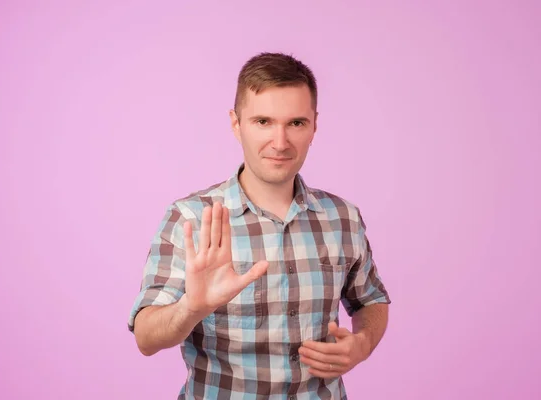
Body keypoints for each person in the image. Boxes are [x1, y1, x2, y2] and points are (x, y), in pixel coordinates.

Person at [127, 52, 391, 399]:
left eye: (296, 123)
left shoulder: (343, 217)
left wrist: (362, 344)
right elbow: (146, 338)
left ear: (314, 125)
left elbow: (371, 300)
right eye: (263, 121)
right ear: (236, 124)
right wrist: (191, 308)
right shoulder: (190, 217)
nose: (280, 143)